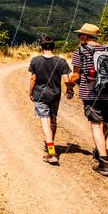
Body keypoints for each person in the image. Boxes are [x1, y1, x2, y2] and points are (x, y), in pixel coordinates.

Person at [67, 23, 108, 178]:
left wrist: (68, 84)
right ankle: (99, 151)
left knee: (96, 126)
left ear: (85, 37)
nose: (79, 37)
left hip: (91, 93)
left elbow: (76, 76)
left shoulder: (80, 52)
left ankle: (104, 162)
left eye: (79, 35)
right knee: (104, 124)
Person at [28, 36, 71, 165]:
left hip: (40, 95)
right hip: (55, 95)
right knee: (52, 119)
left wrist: (30, 92)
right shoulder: (61, 61)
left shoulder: (35, 61)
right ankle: (50, 144)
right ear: (53, 47)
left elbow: (33, 79)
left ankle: (51, 151)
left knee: (45, 120)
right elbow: (67, 80)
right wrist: (69, 89)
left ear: (41, 47)